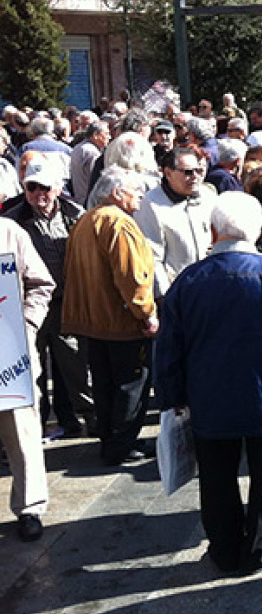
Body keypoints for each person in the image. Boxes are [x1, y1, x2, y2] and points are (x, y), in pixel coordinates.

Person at [155, 192, 262, 575]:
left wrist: (172, 396)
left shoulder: (188, 282)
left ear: (214, 230)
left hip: (210, 399)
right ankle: (260, 549)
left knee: (216, 479)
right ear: (256, 231)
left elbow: (168, 349)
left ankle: (224, 547)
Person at [61, 167, 158, 465]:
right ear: (117, 193)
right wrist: (147, 313)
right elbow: (131, 276)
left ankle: (110, 437)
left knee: (104, 383)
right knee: (131, 383)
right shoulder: (119, 224)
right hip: (121, 322)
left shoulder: (85, 221)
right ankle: (122, 443)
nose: (141, 194)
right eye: (135, 189)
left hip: (93, 322)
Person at [4, 158, 93, 438]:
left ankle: (90, 418)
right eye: (32, 188)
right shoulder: (13, 220)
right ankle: (35, 425)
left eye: (45, 188)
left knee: (76, 363)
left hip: (68, 303)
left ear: (57, 188)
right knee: (34, 370)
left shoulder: (76, 215)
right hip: (28, 306)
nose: (39, 195)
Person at [0, 214, 54, 541]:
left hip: (10, 353)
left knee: (21, 431)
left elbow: (41, 283)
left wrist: (27, 325)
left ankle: (29, 506)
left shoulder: (9, 232)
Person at [134, 147, 216, 300]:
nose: (195, 177)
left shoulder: (208, 197)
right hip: (178, 293)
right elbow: (153, 257)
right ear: (168, 173)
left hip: (209, 288)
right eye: (187, 172)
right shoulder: (151, 204)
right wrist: (165, 297)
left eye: (198, 171)